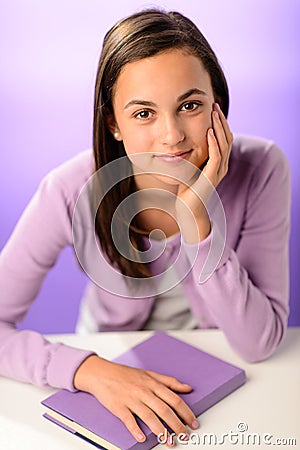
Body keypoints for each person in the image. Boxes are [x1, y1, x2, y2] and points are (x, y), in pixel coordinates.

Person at [0, 8, 290, 445]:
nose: (171, 135)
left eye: (189, 105)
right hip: (113, 365)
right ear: (113, 123)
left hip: (224, 367)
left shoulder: (263, 167)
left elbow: (258, 342)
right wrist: (89, 370)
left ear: (218, 106)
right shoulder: (69, 189)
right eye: (143, 114)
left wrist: (198, 220)